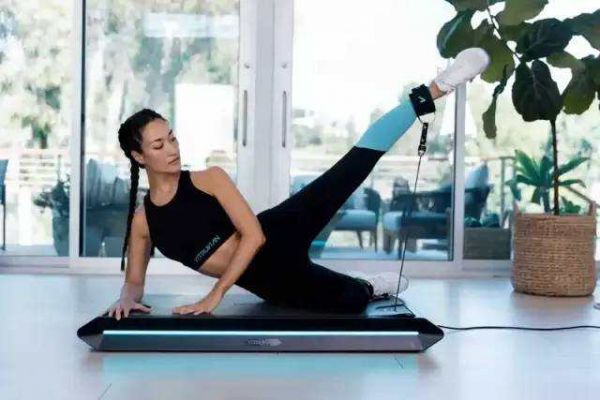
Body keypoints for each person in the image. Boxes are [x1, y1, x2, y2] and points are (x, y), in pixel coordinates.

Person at [108, 47, 490, 320]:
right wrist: (126, 298)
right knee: (351, 300)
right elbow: (135, 283)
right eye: (158, 145)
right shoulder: (144, 222)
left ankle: (435, 88)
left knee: (348, 170)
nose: (172, 149)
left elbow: (254, 236)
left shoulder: (209, 178)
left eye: (172, 138)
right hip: (268, 280)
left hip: (276, 231)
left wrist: (215, 295)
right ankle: (369, 285)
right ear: (139, 156)